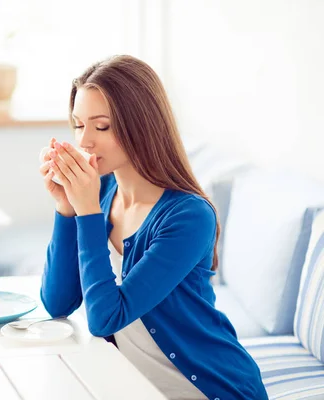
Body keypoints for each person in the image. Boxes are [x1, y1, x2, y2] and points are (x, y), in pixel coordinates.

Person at [39, 55, 267, 400]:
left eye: (101, 127)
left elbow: (105, 318)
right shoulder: (102, 193)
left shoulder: (189, 217)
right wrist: (66, 208)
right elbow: (58, 303)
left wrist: (86, 212)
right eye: (78, 125)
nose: (84, 141)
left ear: (141, 127)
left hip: (212, 389)